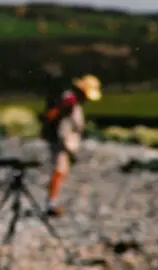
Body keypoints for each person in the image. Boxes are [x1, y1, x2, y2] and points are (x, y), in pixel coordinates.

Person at [41, 74, 103, 217]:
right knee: (60, 170)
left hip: (62, 141)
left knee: (61, 170)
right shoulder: (69, 101)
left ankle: (52, 201)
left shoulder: (72, 100)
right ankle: (51, 202)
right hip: (61, 141)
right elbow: (53, 114)